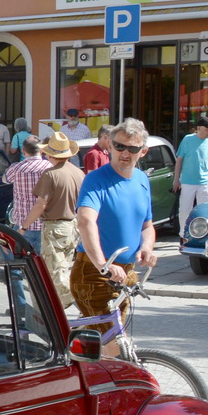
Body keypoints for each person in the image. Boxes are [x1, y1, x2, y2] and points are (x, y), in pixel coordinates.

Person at [74, 117, 159, 337]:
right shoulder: (96, 180)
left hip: (125, 274)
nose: (125, 153)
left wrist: (147, 248)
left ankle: (72, 352)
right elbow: (85, 221)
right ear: (110, 146)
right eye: (120, 146)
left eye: (133, 148)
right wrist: (103, 264)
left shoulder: (142, 180)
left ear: (143, 151)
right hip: (95, 272)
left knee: (104, 340)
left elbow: (147, 225)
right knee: (114, 341)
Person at [25, 132, 86, 309]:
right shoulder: (78, 172)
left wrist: (24, 226)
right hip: (73, 226)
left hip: (55, 227)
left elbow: (41, 204)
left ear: (50, 154)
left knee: (55, 274)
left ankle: (82, 301)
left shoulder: (50, 174)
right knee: (62, 270)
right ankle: (57, 312)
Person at [171, 115, 208, 229]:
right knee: (185, 210)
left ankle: (202, 234)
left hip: (205, 181)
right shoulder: (187, 139)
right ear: (199, 128)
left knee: (205, 211)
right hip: (187, 181)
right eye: (207, 129)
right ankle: (183, 234)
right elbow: (179, 160)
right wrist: (176, 179)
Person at [3, 135, 50, 250]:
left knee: (20, 257)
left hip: (22, 224)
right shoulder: (49, 167)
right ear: (41, 150)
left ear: (23, 151)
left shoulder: (16, 168)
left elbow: (5, 180)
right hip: (44, 223)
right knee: (43, 260)